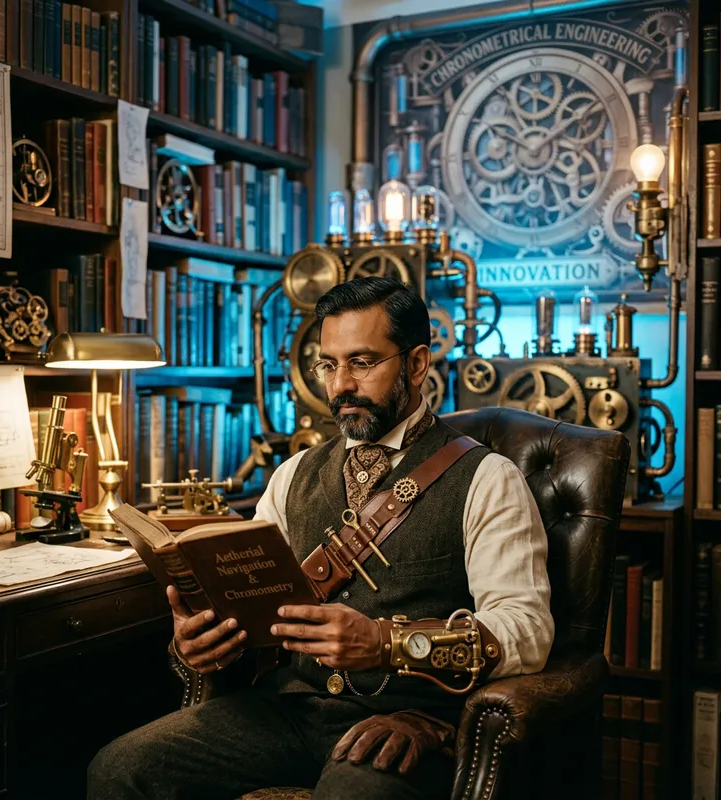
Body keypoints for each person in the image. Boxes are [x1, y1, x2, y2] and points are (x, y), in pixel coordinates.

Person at [87, 276, 554, 800]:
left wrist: (384, 643)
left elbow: (526, 632)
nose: (340, 386)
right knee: (119, 768)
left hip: (405, 724)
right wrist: (199, 641)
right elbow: (257, 608)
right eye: (329, 365)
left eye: (362, 362)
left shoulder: (487, 478)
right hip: (286, 710)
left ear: (417, 364)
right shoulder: (292, 476)